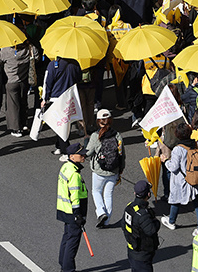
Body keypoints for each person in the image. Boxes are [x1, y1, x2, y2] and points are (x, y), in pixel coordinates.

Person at [162, 122, 198, 230]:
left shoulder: (178, 150)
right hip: (196, 178)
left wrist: (165, 161)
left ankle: (171, 221)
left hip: (182, 180)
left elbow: (173, 167)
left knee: (176, 201)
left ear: (177, 134)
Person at [87, 108, 126, 228]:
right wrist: (120, 169)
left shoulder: (95, 136)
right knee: (108, 195)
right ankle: (106, 221)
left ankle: (101, 212)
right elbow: (122, 154)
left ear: (98, 121)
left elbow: (88, 152)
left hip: (99, 170)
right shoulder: (117, 135)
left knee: (96, 191)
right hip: (113, 170)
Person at [57, 142, 89, 272]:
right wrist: (78, 214)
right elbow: (74, 196)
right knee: (73, 241)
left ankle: (63, 263)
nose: (84, 156)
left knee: (67, 237)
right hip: (73, 211)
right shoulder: (74, 174)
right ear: (72, 157)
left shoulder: (65, 168)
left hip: (64, 209)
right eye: (80, 154)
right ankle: (68, 269)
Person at [123, 179, 160, 272]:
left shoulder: (130, 207)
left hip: (132, 250)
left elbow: (123, 225)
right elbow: (151, 230)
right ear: (148, 195)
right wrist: (156, 222)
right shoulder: (142, 213)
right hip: (142, 254)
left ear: (135, 193)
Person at [0, 43, 31, 136]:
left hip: (11, 80)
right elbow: (36, 56)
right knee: (23, 102)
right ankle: (24, 123)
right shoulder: (28, 49)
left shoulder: (6, 50)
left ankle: (16, 128)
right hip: (24, 80)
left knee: (13, 106)